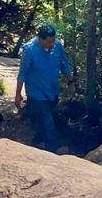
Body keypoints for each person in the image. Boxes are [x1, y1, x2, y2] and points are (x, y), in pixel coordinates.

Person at [14, 22, 71, 152]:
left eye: (53, 41)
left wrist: (69, 78)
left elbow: (64, 63)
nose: (52, 45)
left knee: (46, 118)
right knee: (47, 121)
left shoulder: (57, 46)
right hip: (36, 92)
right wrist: (18, 94)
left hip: (52, 90)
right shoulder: (29, 50)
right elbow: (22, 73)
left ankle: (37, 140)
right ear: (40, 39)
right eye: (49, 42)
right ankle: (52, 151)